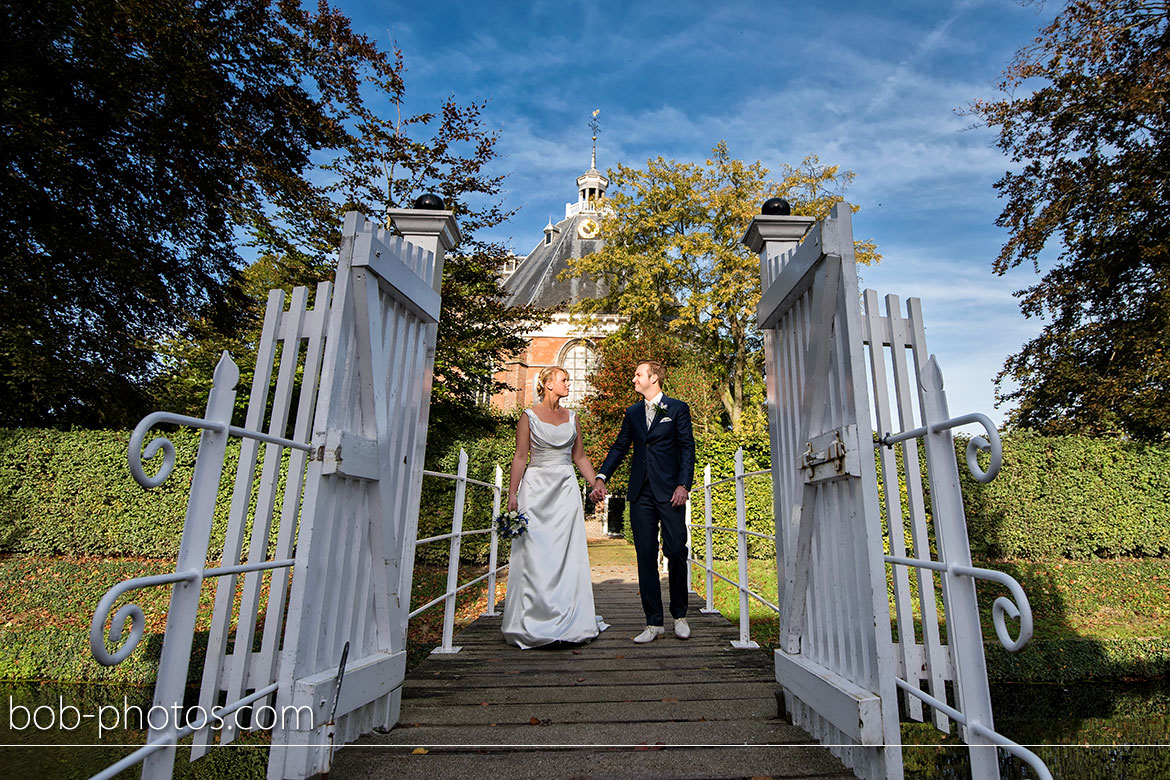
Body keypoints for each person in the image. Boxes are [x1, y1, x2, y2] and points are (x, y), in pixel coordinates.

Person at [501, 365, 608, 648]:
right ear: (548, 383)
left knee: (566, 553)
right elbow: (520, 457)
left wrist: (596, 483)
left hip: (565, 490)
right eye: (564, 380)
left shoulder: (573, 417)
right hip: (535, 491)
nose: (568, 385)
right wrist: (513, 493)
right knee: (535, 553)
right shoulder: (528, 417)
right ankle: (531, 620)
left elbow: (580, 457)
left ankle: (569, 617)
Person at [591, 360, 695, 643]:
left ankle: (680, 616)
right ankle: (653, 622)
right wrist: (601, 477)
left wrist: (683, 484)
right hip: (640, 494)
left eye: (638, 375)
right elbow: (620, 446)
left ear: (654, 378)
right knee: (645, 555)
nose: (634, 379)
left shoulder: (677, 409)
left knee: (675, 551)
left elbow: (687, 448)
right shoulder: (633, 413)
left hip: (671, 492)